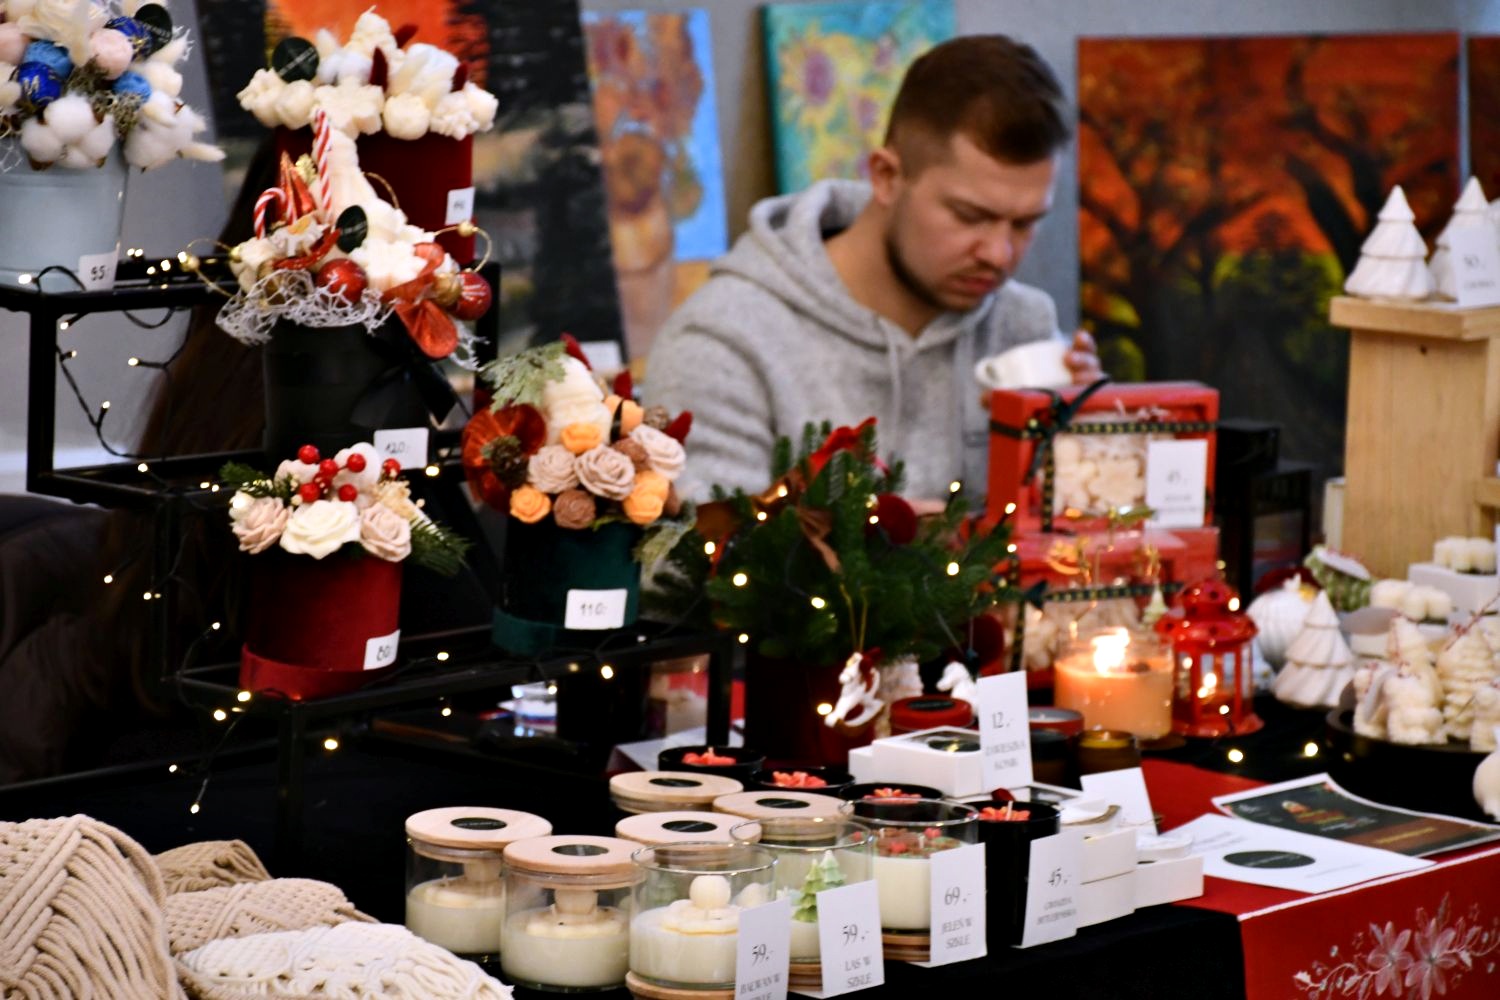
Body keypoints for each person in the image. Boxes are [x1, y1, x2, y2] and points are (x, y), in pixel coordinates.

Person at [644, 34, 1101, 504]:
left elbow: (1084, 532)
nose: (1000, 254)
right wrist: (899, 534)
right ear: (885, 177)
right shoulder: (724, 342)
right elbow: (696, 545)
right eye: (970, 216)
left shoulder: (1024, 326)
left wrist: (1094, 438)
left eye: (1025, 223)